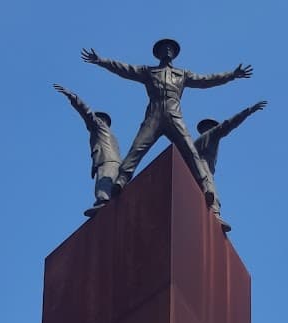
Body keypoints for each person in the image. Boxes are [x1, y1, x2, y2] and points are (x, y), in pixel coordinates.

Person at [81, 38, 253, 204]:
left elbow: (207, 80)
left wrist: (232, 75)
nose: (168, 50)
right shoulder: (148, 72)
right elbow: (124, 69)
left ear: (175, 54)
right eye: (164, 48)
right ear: (158, 53)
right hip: (154, 116)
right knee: (137, 149)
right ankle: (121, 181)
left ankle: (206, 187)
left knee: (190, 152)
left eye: (171, 48)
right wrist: (101, 61)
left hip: (174, 116)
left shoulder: (183, 74)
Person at [195, 100, 267, 232]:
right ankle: (215, 216)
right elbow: (229, 124)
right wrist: (249, 111)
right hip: (202, 167)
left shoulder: (195, 142)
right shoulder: (212, 134)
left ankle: (205, 211)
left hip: (191, 169)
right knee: (211, 191)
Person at [54, 84, 121, 214]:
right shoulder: (111, 135)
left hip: (107, 161)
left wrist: (72, 97)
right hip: (115, 162)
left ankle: (103, 204)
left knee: (103, 184)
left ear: (102, 120)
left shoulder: (100, 127)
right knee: (111, 186)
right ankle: (111, 206)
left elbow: (86, 112)